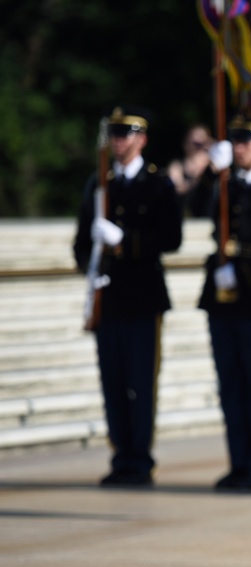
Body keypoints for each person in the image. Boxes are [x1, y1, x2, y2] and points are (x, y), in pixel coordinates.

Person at [73, 105, 183, 487]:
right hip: (110, 299)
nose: (119, 142)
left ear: (142, 139)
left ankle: (140, 457)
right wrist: (93, 268)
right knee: (113, 381)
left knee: (141, 381)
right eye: (115, 135)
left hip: (143, 298)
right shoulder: (99, 185)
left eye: (126, 134)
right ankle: (121, 454)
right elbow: (81, 243)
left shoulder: (157, 185)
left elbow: (171, 238)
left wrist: (126, 243)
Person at [197, 116, 251, 492]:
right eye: (234, 141)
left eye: (246, 141)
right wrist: (209, 174)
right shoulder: (224, 183)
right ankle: (237, 461)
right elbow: (195, 209)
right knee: (230, 384)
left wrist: (243, 271)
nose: (238, 147)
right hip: (221, 299)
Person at [167, 123, 217, 218]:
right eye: (196, 144)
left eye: (203, 143)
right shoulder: (177, 166)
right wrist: (200, 176)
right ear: (186, 144)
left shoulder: (213, 167)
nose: (200, 148)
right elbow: (177, 190)